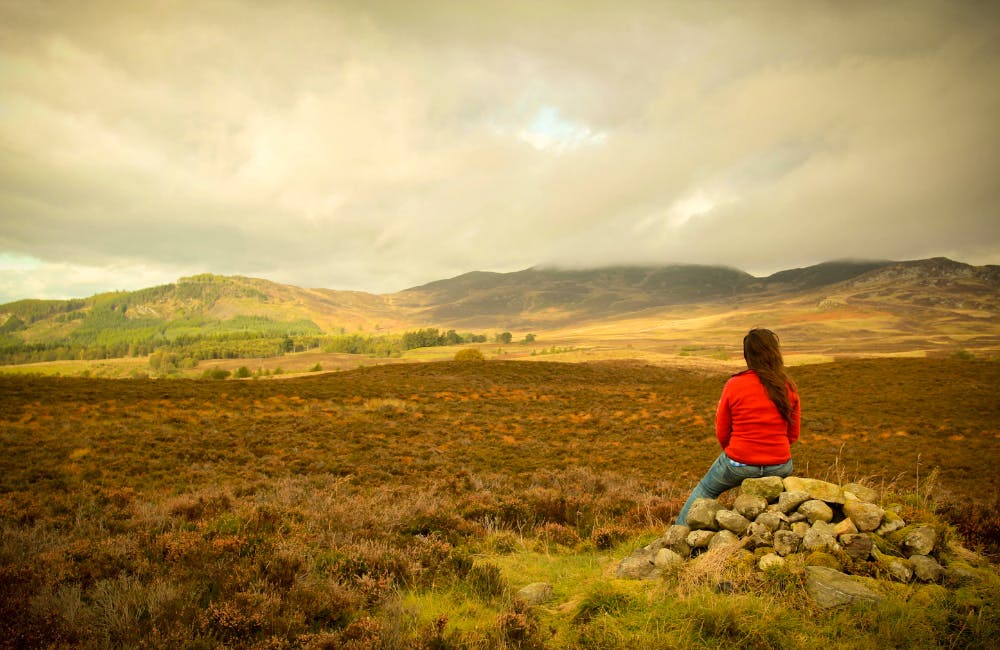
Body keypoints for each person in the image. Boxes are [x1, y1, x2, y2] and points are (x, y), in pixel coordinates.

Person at [675, 328, 801, 525]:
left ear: (747, 355)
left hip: (739, 463)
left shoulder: (735, 384)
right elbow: (793, 434)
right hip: (780, 465)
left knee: (706, 490)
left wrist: (736, 452)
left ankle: (676, 536)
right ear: (775, 353)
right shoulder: (787, 386)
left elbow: (722, 430)